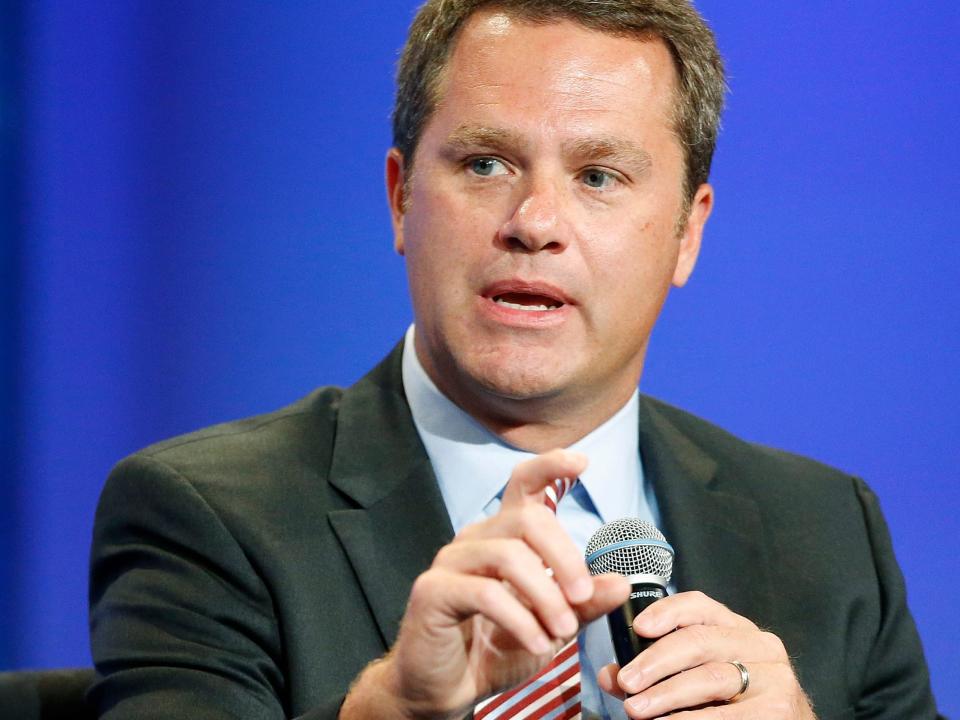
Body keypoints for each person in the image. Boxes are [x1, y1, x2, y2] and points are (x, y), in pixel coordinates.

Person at [88, 1, 943, 719]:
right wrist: (392, 707)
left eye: (600, 175)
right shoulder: (205, 518)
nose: (534, 220)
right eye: (485, 163)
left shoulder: (828, 534)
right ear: (401, 198)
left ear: (689, 232)